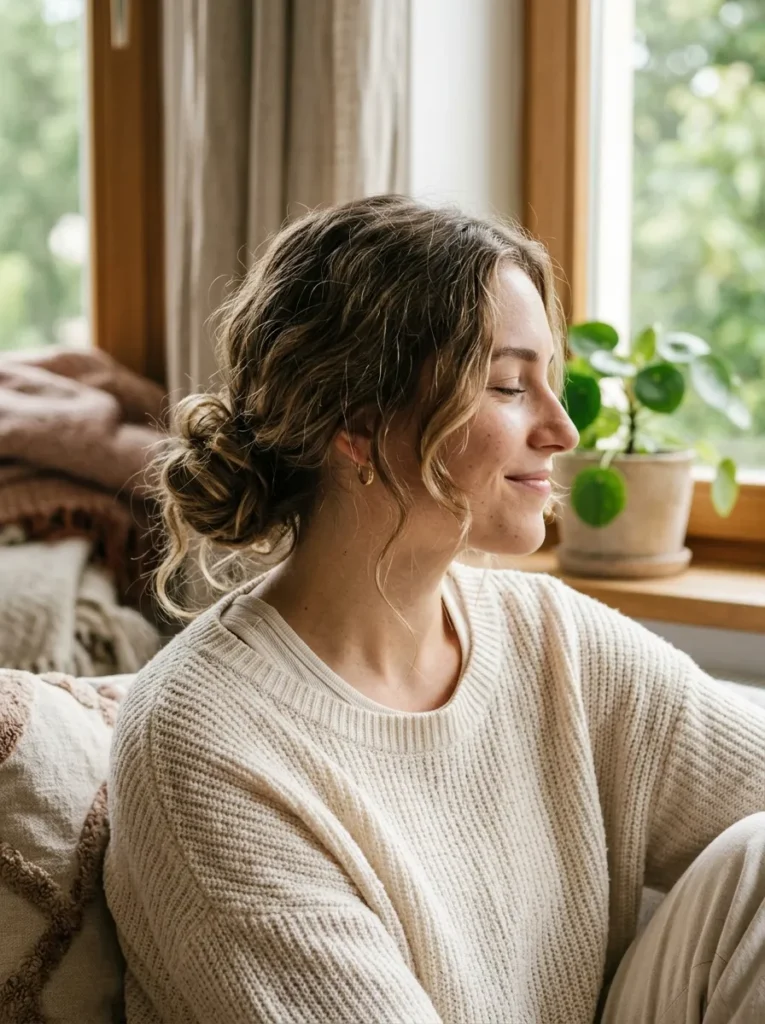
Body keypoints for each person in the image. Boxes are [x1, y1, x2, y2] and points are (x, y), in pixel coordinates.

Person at [105, 195, 765, 1023]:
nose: (562, 430)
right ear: (359, 422)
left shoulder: (550, 636)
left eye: (549, 382)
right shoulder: (203, 745)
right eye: (508, 386)